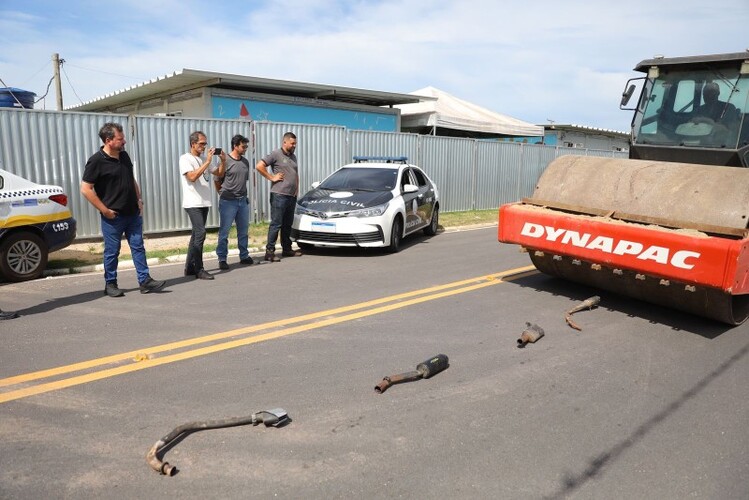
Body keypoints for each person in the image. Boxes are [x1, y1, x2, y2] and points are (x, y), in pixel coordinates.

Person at [81, 122, 166, 297]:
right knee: (112, 252)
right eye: (120, 139)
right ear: (108, 140)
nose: (124, 141)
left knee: (138, 247)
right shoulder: (96, 161)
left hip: (132, 213)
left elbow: (131, 179)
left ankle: (145, 281)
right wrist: (105, 210)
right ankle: (110, 284)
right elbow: (86, 189)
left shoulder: (124, 156)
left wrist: (139, 199)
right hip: (113, 217)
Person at [179, 131, 225, 280]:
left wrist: (223, 161)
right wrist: (207, 162)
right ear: (193, 144)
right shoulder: (185, 159)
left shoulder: (204, 158)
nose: (204, 146)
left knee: (195, 236)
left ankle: (189, 267)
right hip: (192, 203)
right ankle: (199, 269)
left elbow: (218, 173)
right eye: (201, 144)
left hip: (204, 202)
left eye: (205, 143)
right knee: (201, 233)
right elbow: (192, 177)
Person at [256, 131, 302, 262]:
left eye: (295, 143)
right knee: (276, 224)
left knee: (287, 224)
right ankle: (269, 252)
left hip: (291, 196)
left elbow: (295, 174)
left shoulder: (293, 157)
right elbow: (259, 166)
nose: (294, 145)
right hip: (279, 195)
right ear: (285, 142)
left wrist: (296, 192)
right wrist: (271, 177)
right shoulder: (276, 154)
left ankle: (287, 249)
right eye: (292, 143)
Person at [212, 134, 254, 270]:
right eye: (243, 146)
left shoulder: (245, 162)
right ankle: (222, 258)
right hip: (228, 201)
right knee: (224, 231)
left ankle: (244, 255)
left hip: (242, 201)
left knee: (243, 231)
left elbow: (243, 181)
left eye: (246, 146)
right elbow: (217, 180)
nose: (245, 148)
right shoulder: (225, 161)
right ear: (235, 146)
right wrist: (221, 193)